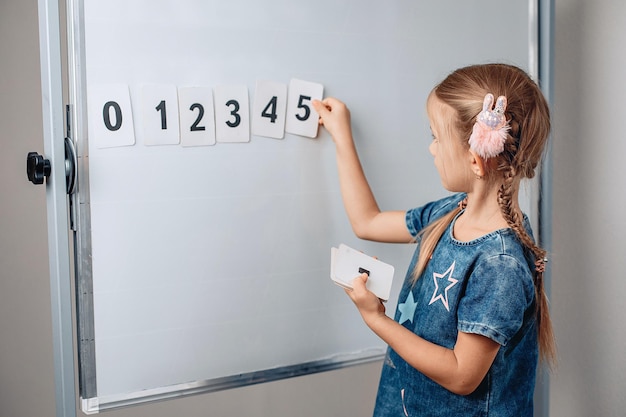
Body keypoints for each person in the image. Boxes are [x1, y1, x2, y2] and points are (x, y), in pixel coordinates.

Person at [312, 63, 556, 417]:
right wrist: (342, 137)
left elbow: (462, 376)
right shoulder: (452, 210)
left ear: (475, 160)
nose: (432, 149)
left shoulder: (498, 264)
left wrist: (377, 319)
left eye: (436, 137)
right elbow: (368, 222)